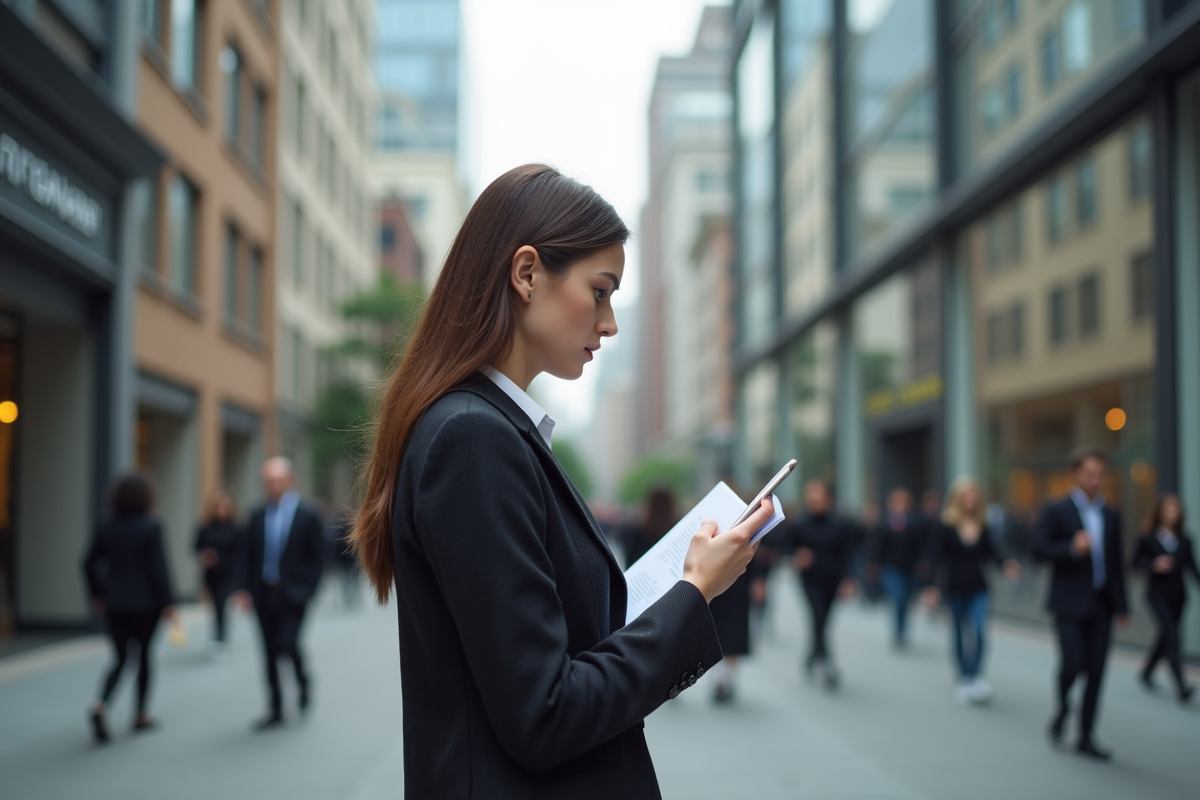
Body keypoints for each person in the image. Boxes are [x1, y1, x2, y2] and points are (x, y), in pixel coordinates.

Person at [349, 164, 775, 798]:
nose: (610, 323)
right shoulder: (473, 439)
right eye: (599, 291)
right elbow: (544, 714)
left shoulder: (489, 430)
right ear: (526, 274)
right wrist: (694, 591)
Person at [1034, 446, 1129, 761]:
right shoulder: (1056, 510)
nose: (1095, 480)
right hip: (1068, 603)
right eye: (1089, 474)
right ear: (1074, 474)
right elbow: (1039, 550)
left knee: (1097, 671)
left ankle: (1086, 734)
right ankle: (1063, 708)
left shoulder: (1111, 514)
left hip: (1102, 603)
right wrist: (1071, 548)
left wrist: (1123, 605)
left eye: (1100, 475)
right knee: (1073, 664)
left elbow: (1115, 563)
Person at [83, 473, 175, 743]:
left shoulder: (105, 523)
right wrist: (168, 603)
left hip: (115, 603)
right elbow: (159, 569)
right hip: (146, 604)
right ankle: (140, 715)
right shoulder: (152, 525)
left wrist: (98, 593)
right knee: (145, 656)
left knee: (121, 658)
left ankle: (101, 704)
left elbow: (88, 562)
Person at [238, 457, 327, 730]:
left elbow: (319, 557)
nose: (271, 485)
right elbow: (247, 556)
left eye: (276, 480)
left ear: (290, 480)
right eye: (267, 481)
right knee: (268, 652)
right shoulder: (256, 515)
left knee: (287, 645)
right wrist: (244, 590)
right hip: (264, 594)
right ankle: (275, 708)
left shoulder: (308, 514)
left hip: (293, 595)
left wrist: (307, 591)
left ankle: (303, 682)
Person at [922, 476, 1020, 705]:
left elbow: (993, 551)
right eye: (966, 495)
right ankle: (963, 678)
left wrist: (1007, 564)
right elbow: (934, 557)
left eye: (974, 495)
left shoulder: (983, 524)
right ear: (957, 498)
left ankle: (976, 676)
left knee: (978, 631)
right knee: (958, 633)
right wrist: (931, 587)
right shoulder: (945, 524)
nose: (971, 499)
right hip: (954, 587)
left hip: (979, 587)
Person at [788, 479, 856, 689]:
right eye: (810, 497)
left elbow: (849, 553)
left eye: (818, 496)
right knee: (817, 616)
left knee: (823, 621)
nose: (814, 501)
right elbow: (787, 547)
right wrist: (797, 556)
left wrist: (848, 580)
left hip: (833, 580)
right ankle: (827, 665)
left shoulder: (840, 523)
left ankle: (812, 654)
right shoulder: (800, 523)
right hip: (810, 580)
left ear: (828, 498)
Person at [1132, 493, 1198, 703]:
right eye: (1167, 509)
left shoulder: (1185, 539)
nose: (1171, 513)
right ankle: (1181, 686)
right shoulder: (1148, 536)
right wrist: (1153, 565)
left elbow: (1192, 568)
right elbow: (1134, 563)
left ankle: (1147, 672)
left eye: (1175, 509)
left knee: (1166, 637)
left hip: (1179, 597)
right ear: (1160, 512)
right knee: (1172, 636)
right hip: (1156, 595)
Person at [866, 488, 922, 648]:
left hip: (909, 567)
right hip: (890, 567)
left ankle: (903, 629)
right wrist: (873, 563)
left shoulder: (913, 522)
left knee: (905, 601)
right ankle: (897, 632)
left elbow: (919, 545)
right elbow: (876, 545)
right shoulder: (884, 523)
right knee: (897, 597)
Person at [194, 487, 242, 658]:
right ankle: (217, 638)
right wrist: (205, 556)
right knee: (215, 607)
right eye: (217, 506)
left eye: (224, 506)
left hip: (228, 574)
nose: (221, 510)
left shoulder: (236, 528)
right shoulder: (206, 527)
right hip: (212, 574)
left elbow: (241, 552)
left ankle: (220, 639)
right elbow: (196, 546)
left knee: (221, 605)